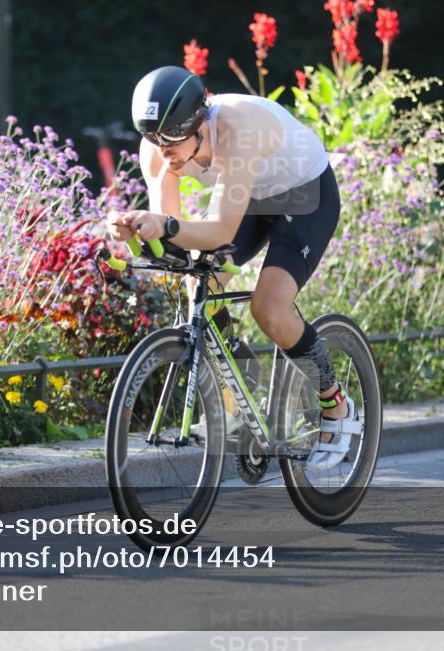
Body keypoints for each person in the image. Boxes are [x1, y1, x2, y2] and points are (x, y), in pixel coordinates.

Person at [105, 65, 359, 471]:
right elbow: (171, 240)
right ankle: (244, 385)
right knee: (200, 291)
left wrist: (165, 226)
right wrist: (135, 230)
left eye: (171, 137)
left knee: (269, 307)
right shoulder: (158, 150)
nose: (162, 148)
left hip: (305, 196)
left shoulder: (238, 129)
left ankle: (336, 403)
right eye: (152, 137)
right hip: (251, 199)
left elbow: (220, 229)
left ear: (198, 124)